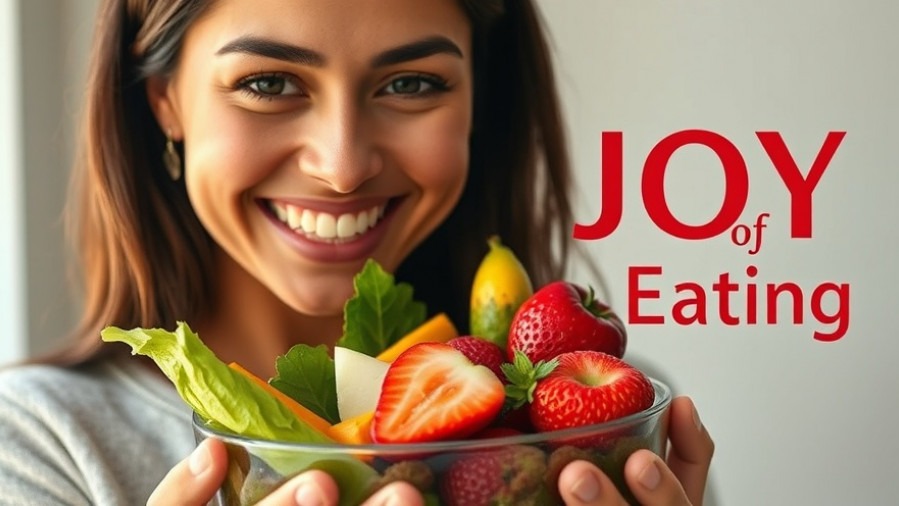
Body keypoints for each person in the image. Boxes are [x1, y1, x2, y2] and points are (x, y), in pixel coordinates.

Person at [0, 0, 714, 504]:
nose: (341, 165)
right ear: (165, 98)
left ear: (478, 99)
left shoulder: (599, 431)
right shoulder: (33, 447)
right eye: (268, 84)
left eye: (410, 84)